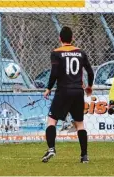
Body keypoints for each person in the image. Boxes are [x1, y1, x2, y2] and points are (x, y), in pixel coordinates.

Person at [42, 26, 94, 163]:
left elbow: (54, 73)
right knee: (79, 124)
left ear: (60, 39)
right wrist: (89, 86)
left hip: (63, 91)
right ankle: (84, 156)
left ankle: (51, 148)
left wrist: (48, 88)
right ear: (72, 38)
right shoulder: (81, 52)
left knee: (52, 121)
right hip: (78, 91)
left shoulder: (56, 52)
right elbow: (90, 72)